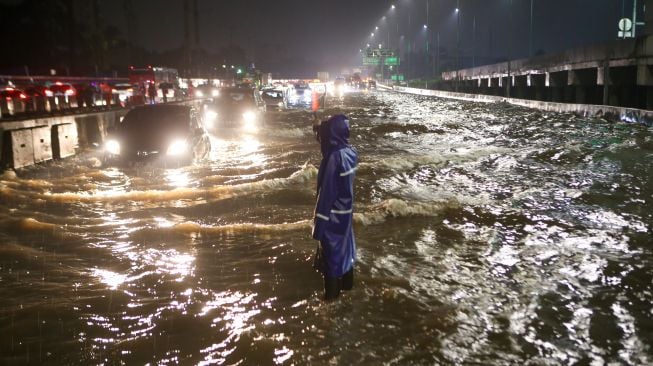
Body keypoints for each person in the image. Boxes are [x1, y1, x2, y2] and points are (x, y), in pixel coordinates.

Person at [312, 114, 358, 300]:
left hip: (332, 217)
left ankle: (331, 303)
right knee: (345, 254)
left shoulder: (333, 158)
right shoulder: (350, 152)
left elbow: (326, 195)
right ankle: (348, 292)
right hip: (346, 214)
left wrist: (318, 228)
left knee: (331, 260)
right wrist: (318, 127)